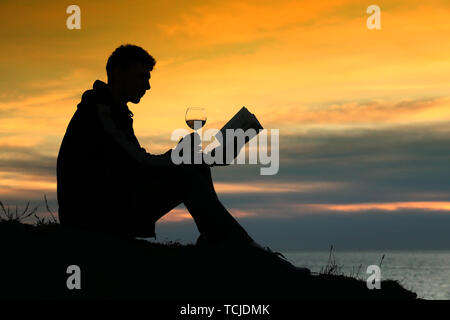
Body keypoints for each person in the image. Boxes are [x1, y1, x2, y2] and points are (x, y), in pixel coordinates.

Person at [56, 44, 255, 246]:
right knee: (188, 175)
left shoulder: (115, 110)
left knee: (196, 167)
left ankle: (218, 237)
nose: (148, 86)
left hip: (110, 205)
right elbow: (139, 163)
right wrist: (179, 156)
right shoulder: (99, 109)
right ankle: (234, 242)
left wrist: (184, 157)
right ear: (118, 73)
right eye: (142, 77)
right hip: (92, 218)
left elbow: (134, 162)